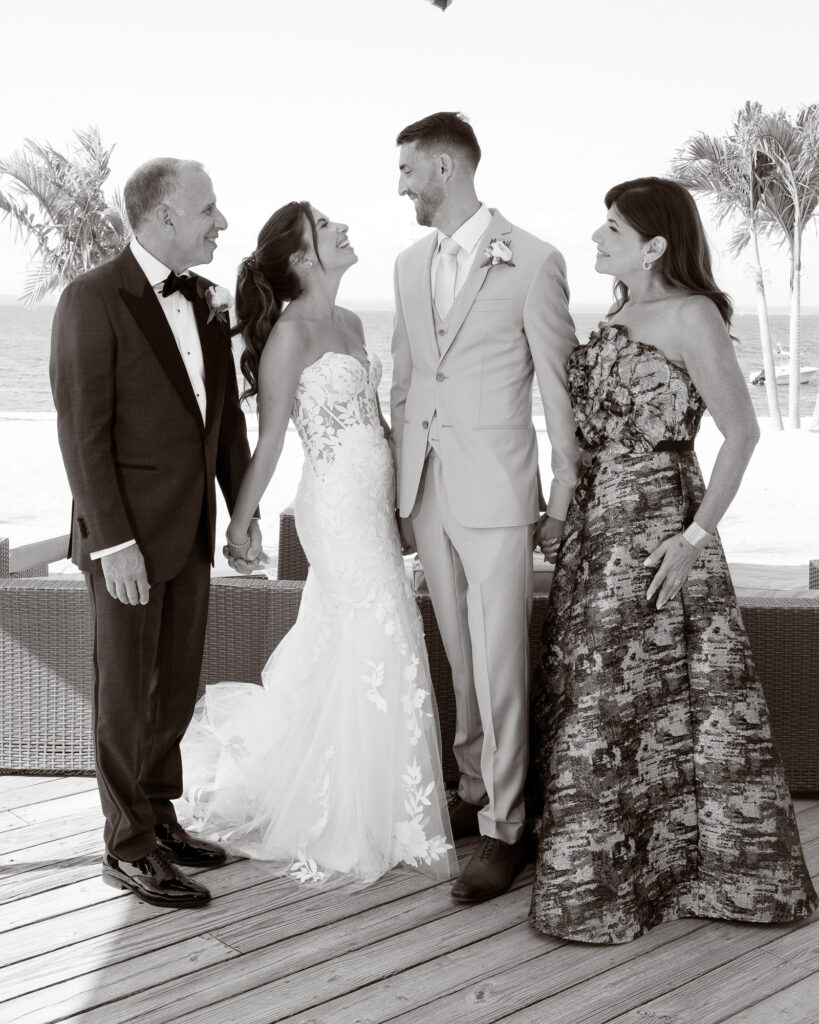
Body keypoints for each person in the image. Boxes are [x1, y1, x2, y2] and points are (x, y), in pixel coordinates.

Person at [528, 176, 818, 943]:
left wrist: (692, 540)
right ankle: (618, 872)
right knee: (604, 697)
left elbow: (741, 433)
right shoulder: (617, 312)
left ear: (654, 246)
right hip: (594, 531)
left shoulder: (691, 315)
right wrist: (560, 513)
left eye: (612, 230)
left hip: (659, 527)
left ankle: (686, 876)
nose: (595, 239)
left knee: (659, 702)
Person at [178, 201, 456, 888]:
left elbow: (377, 424)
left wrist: (406, 503)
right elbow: (271, 443)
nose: (342, 227)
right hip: (332, 508)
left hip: (373, 502)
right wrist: (241, 523)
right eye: (326, 225)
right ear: (302, 257)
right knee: (378, 630)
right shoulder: (290, 338)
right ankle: (349, 816)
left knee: (377, 634)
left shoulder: (352, 322)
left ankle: (391, 802)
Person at [50, 157, 261, 908]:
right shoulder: (91, 298)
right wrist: (113, 545)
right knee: (124, 698)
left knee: (173, 688)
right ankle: (127, 846)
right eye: (209, 209)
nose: (221, 223)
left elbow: (225, 423)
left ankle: (160, 816)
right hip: (125, 541)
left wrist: (243, 514)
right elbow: (83, 432)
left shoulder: (207, 300)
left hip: (192, 529)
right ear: (164, 215)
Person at [390, 112, 579, 902]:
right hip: (426, 487)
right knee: (460, 656)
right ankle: (474, 791)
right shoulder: (406, 264)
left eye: (406, 170)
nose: (398, 184)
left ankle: (508, 829)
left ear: (443, 167)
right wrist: (398, 489)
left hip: (499, 490)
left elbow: (557, 388)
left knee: (500, 659)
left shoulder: (533, 261)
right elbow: (404, 381)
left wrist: (562, 494)